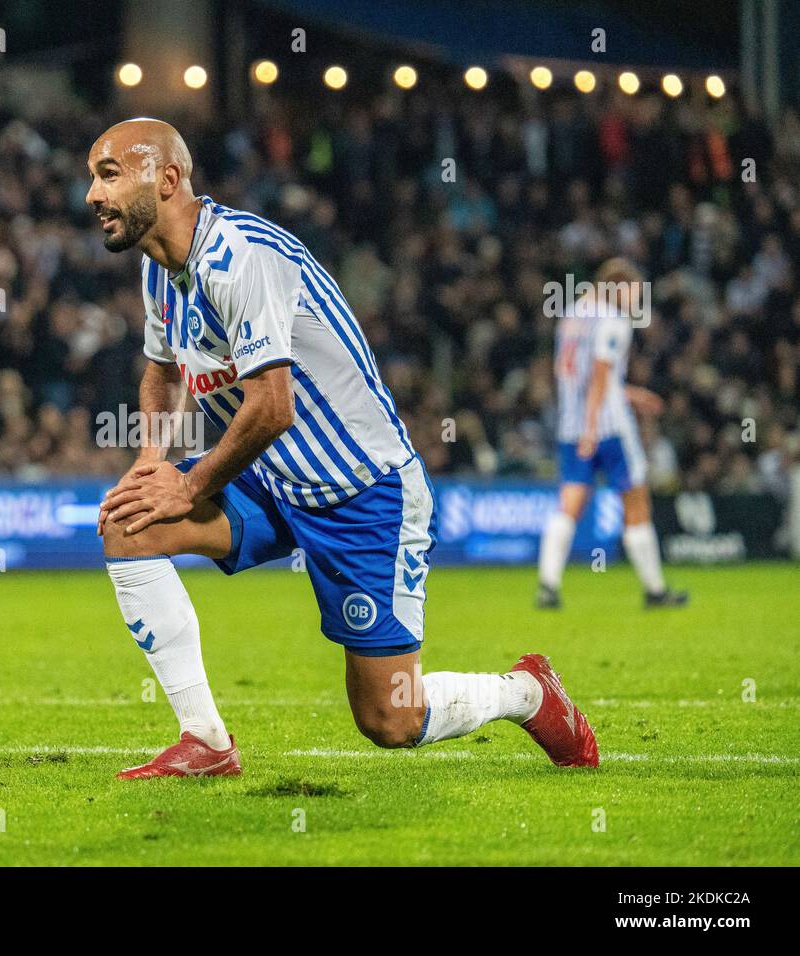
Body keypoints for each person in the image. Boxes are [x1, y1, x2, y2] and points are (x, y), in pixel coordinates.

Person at [87, 118, 599, 779]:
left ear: (167, 179)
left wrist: (186, 486)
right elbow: (160, 370)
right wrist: (152, 462)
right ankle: (207, 742)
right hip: (270, 481)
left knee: (391, 720)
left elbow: (272, 407)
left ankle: (526, 692)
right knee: (129, 523)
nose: (92, 196)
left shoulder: (243, 258)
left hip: (364, 494)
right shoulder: (160, 269)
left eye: (108, 175)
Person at [537, 258, 688, 610]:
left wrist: (631, 394)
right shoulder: (613, 320)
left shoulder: (572, 316)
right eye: (634, 292)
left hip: (570, 427)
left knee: (569, 506)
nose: (637, 301)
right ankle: (655, 590)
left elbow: (580, 375)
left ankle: (548, 585)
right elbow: (600, 374)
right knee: (635, 504)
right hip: (608, 429)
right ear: (617, 287)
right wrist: (593, 427)